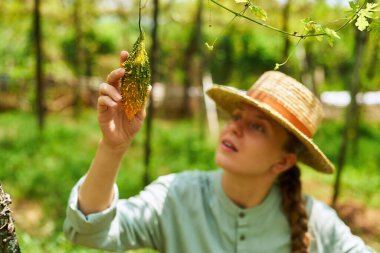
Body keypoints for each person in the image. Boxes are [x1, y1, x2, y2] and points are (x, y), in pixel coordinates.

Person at [64, 51, 375, 253]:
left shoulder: (317, 224)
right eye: (237, 117)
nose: (234, 128)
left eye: (258, 127)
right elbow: (90, 231)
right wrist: (113, 146)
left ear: (283, 161)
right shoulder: (176, 195)